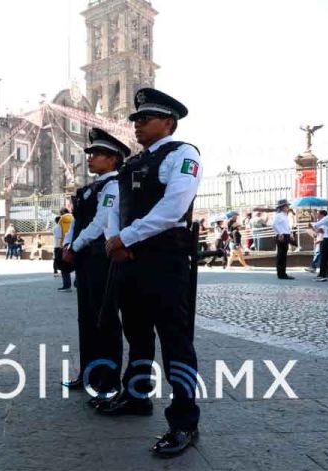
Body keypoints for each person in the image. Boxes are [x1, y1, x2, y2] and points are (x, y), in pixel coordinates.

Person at [102, 88, 202, 456]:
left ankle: (184, 420)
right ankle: (136, 396)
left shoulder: (183, 155)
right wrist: (116, 239)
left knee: (176, 343)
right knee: (138, 335)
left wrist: (125, 237)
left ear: (168, 122)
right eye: (136, 120)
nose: (138, 125)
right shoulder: (130, 164)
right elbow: (118, 207)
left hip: (163, 261)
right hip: (130, 261)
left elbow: (174, 206)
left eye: (145, 119)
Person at [60, 128, 128, 402]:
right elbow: (77, 220)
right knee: (87, 317)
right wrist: (68, 242)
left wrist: (75, 246)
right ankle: (89, 374)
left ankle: (108, 380)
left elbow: (100, 223)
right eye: (91, 153)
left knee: (105, 319)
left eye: (98, 154)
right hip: (86, 258)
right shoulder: (91, 187)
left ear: (113, 159)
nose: (91, 158)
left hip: (101, 257)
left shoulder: (113, 186)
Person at [273, 199, 294, 279]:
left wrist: (290, 233)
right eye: (287, 206)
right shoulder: (278, 215)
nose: (288, 207)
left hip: (286, 235)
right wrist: (280, 233)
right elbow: (274, 225)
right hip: (281, 236)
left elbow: (286, 227)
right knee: (281, 255)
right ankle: (281, 274)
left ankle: (283, 273)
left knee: (284, 255)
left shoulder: (285, 215)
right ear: (282, 207)